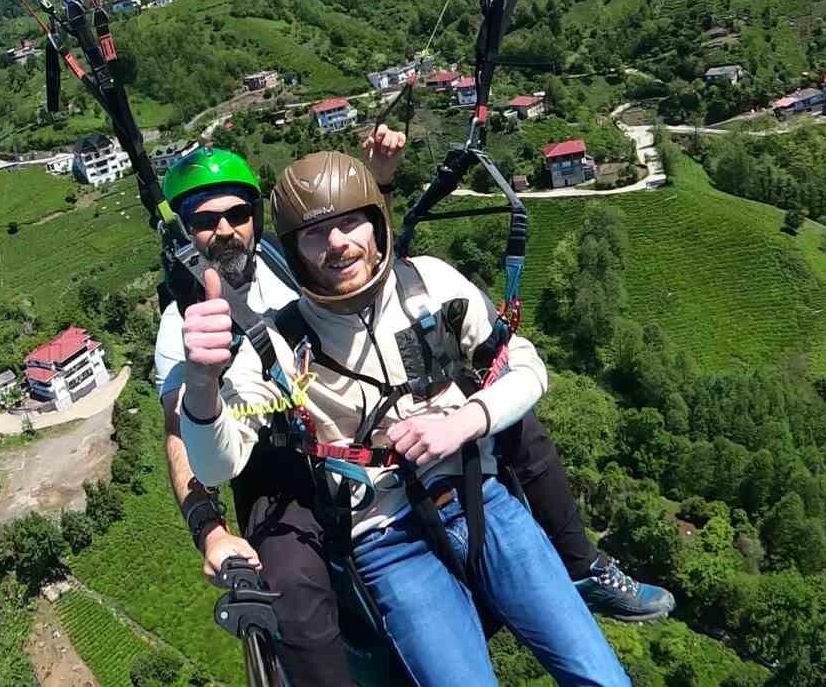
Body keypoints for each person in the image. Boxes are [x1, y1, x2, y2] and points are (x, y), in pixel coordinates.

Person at [153, 141, 672, 679]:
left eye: (237, 213)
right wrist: (203, 379)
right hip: (357, 511)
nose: (224, 229)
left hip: (475, 490)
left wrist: (464, 420)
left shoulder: (411, 280)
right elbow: (205, 457)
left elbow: (518, 362)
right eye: (203, 219)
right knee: (297, 590)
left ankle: (582, 564)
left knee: (597, 668)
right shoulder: (240, 334)